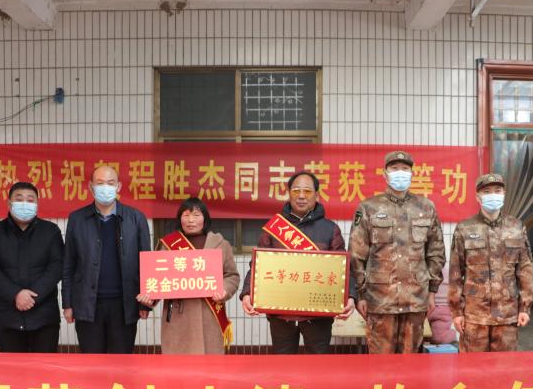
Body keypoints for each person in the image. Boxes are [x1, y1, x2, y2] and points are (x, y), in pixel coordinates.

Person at [241, 171, 356, 354]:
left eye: (307, 191)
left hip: (318, 315)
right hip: (281, 314)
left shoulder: (330, 229)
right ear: (289, 193)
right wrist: (247, 293)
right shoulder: (274, 227)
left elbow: (343, 267)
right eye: (296, 191)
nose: (301, 196)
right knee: (283, 363)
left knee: (318, 362)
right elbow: (257, 264)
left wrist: (350, 295)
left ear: (317, 195)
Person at [349, 150, 446, 354]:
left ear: (412, 173)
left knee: (411, 363)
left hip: (416, 299)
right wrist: (361, 294)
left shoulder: (426, 207)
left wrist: (432, 292)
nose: (400, 173)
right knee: (381, 362)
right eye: (394, 168)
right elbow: (357, 255)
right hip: (380, 300)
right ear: (385, 174)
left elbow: (436, 252)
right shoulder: (368, 208)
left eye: (404, 169)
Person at [62, 165, 151, 354]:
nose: (105, 187)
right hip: (88, 305)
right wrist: (68, 304)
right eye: (100, 183)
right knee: (92, 363)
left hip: (124, 305)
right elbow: (69, 264)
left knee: (121, 362)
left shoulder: (136, 218)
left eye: (110, 183)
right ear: (91, 187)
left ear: (119, 186)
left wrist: (145, 303)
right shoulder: (77, 219)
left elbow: (146, 264)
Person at [136, 198, 240, 354]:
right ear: (180, 219)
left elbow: (231, 275)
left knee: (209, 365)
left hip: (209, 315)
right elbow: (158, 278)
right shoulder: (168, 244)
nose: (191, 220)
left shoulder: (220, 244)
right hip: (178, 317)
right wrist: (149, 297)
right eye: (186, 215)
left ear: (205, 219)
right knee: (179, 366)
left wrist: (224, 290)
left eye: (196, 215)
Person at [448, 173, 533, 352]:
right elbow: (455, 273)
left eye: (497, 191)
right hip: (474, 317)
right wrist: (456, 312)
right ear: (477, 197)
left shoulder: (516, 227)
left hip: (507, 315)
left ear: (504, 194)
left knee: (504, 366)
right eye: (487, 192)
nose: (492, 195)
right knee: (472, 367)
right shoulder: (465, 228)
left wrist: (525, 307)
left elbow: (525, 269)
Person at [0, 181, 63, 352]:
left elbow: (57, 266)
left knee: (44, 367)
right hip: (7, 317)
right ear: (9, 203)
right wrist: (16, 294)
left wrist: (32, 296)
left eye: (30, 200)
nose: (25, 203)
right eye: (19, 199)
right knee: (12, 368)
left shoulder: (51, 231)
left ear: (37, 204)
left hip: (44, 317)